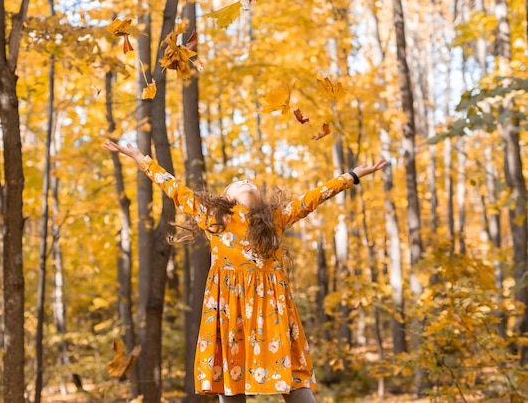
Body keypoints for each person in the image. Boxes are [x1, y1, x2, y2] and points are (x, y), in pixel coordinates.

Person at [103, 140, 387, 402]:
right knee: (232, 380)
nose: (247, 182)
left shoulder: (276, 219)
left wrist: (352, 175)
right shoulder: (215, 218)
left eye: (251, 181)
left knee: (295, 379)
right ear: (226, 198)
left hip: (271, 314)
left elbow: (315, 197)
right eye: (239, 182)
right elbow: (174, 189)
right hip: (230, 314)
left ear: (261, 200)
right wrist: (140, 157)